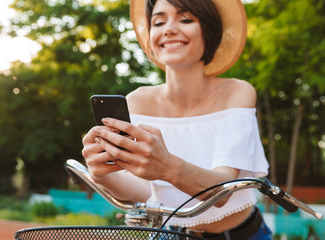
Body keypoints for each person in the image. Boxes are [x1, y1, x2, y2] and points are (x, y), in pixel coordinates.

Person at [82, 0, 272, 239]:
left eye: (185, 19)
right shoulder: (137, 101)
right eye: (158, 22)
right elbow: (144, 192)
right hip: (168, 233)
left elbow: (222, 193)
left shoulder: (238, 92)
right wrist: (102, 175)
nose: (168, 29)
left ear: (209, 31)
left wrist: (166, 166)